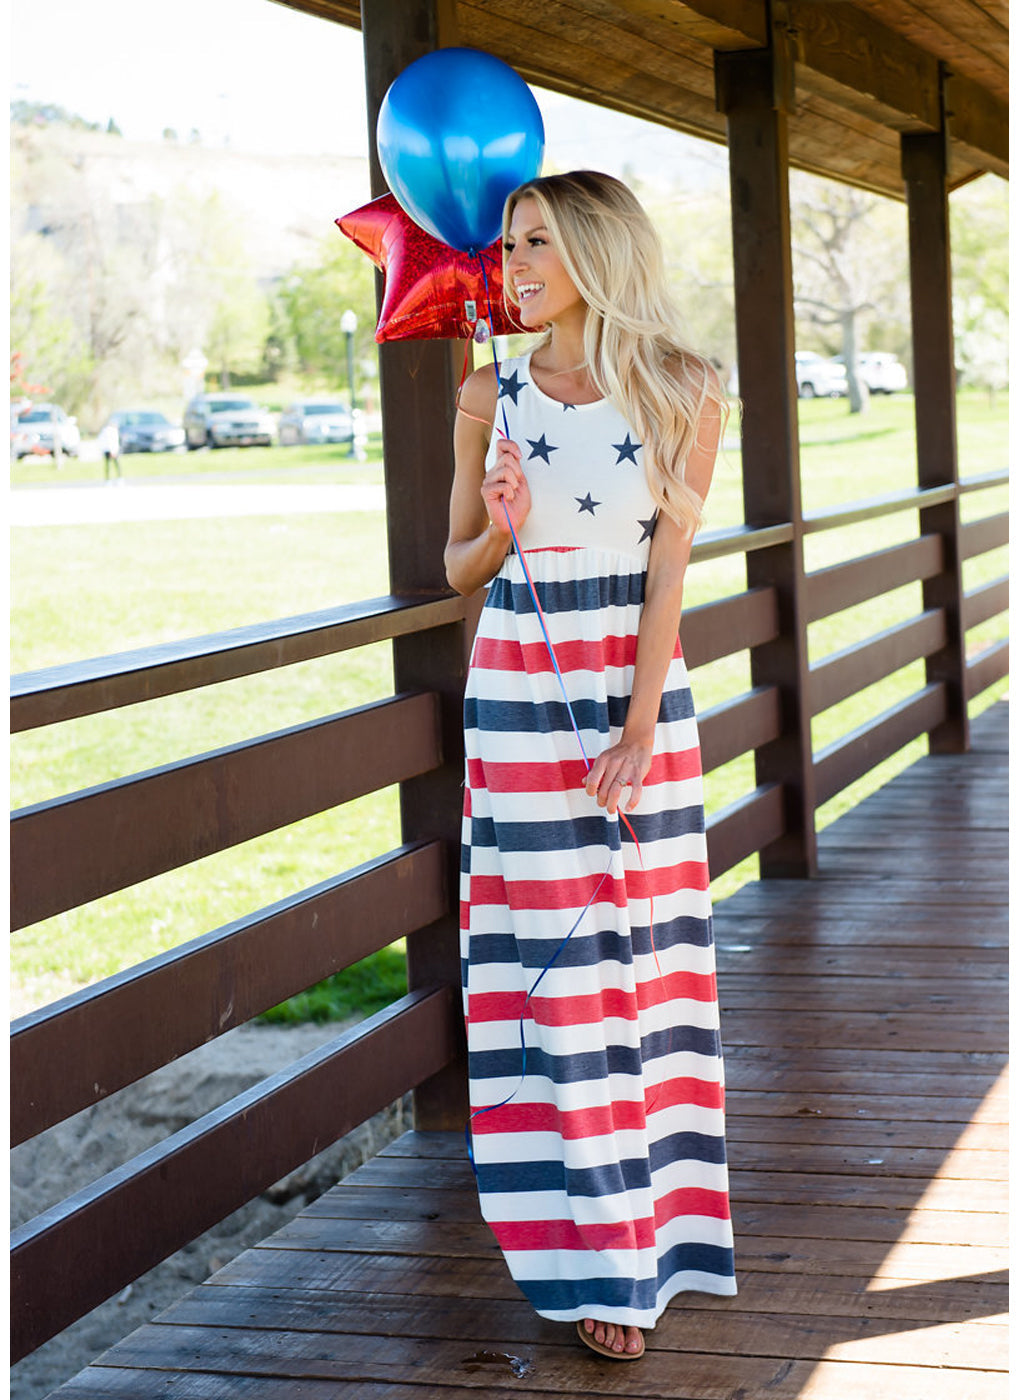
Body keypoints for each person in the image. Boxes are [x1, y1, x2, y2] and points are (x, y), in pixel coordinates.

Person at [445, 170, 736, 1362]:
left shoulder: (683, 385)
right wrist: (504, 522)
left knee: (643, 959)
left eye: (538, 244)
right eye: (510, 245)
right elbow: (456, 566)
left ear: (600, 252)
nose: (514, 265)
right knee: (557, 971)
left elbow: (669, 572)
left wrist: (638, 727)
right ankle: (604, 1253)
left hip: (637, 692)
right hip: (517, 691)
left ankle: (662, 1235)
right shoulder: (486, 390)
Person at [99, 419, 122, 483]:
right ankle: (115, 479)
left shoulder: (105, 431)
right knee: (114, 465)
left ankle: (109, 479)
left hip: (109, 449)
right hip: (111, 450)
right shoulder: (111, 431)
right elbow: (111, 441)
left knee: (109, 465)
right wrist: (112, 451)